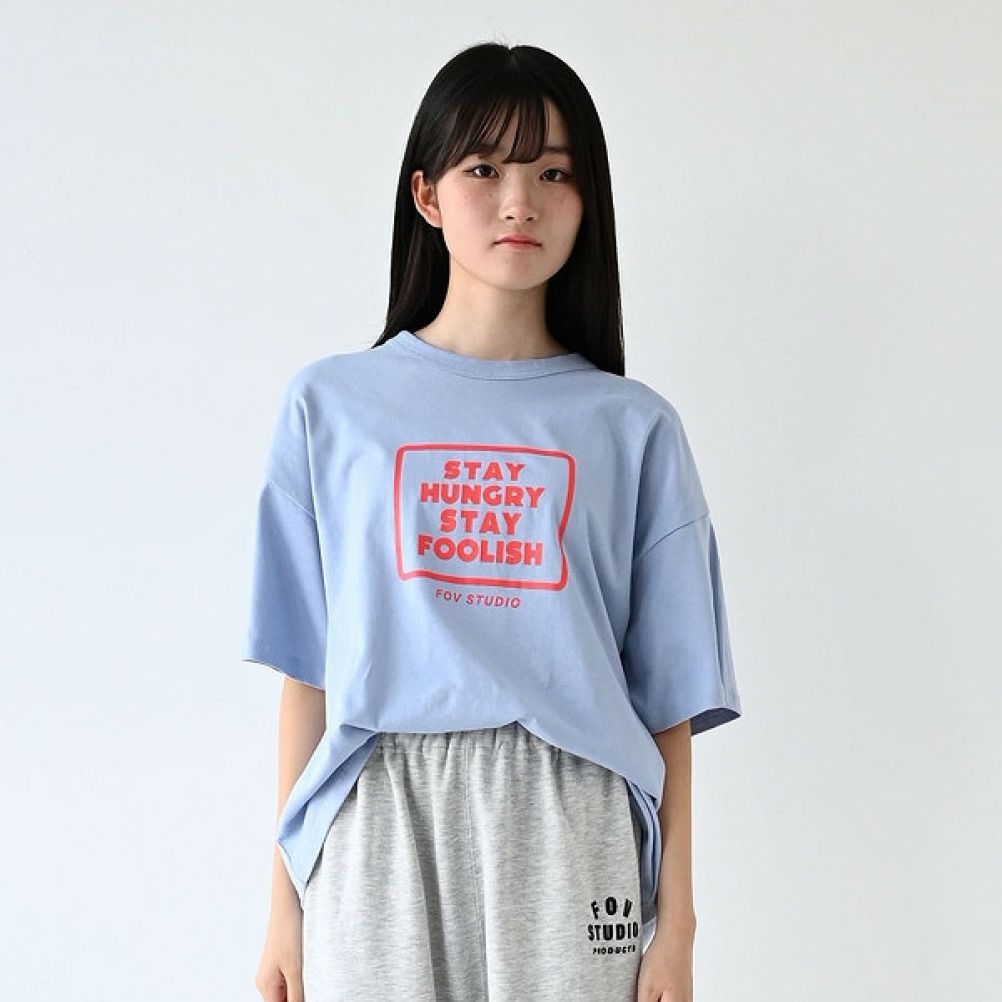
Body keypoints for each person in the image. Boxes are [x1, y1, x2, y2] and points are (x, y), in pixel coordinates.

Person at [245, 40, 741, 1002]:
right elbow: (307, 677)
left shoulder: (633, 427)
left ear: (587, 200)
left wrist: (676, 924)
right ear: (427, 195)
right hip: (377, 814)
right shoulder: (330, 408)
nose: (520, 202)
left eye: (553, 173)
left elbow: (667, 704)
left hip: (573, 812)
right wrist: (283, 907)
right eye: (484, 169)